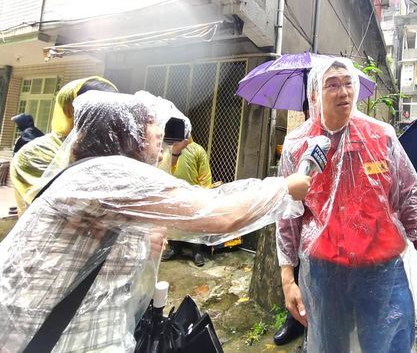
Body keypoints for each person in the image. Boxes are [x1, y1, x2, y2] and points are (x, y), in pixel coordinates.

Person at [0, 90, 311, 352]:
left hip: (53, 328)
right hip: (55, 335)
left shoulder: (88, 171)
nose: (161, 135)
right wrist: (285, 188)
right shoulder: (111, 173)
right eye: (151, 124)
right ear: (127, 132)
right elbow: (220, 213)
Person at [276, 57, 417, 352]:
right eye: (332, 85)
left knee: (387, 344)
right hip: (324, 272)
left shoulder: (381, 136)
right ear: (315, 93)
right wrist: (287, 280)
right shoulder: (298, 146)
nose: (343, 92)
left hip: (383, 270)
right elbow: (288, 216)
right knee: (330, 347)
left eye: (348, 83)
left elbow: (410, 198)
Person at [9, 76, 118, 214]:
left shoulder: (110, 150)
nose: (107, 117)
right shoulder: (35, 152)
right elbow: (67, 207)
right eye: (95, 109)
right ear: (68, 110)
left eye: (112, 109)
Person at [162, 135, 214, 266]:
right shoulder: (169, 150)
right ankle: (175, 249)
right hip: (172, 193)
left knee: (194, 224)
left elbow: (204, 174)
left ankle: (196, 252)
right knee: (173, 223)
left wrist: (204, 193)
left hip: (193, 195)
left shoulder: (197, 150)